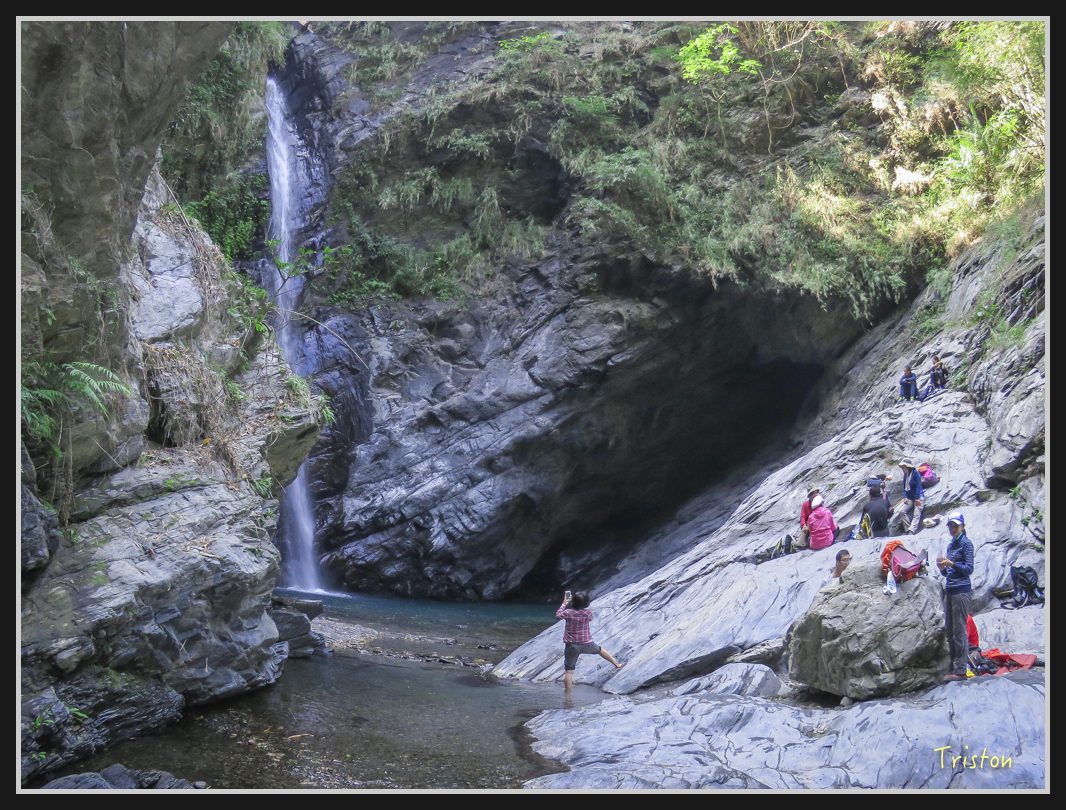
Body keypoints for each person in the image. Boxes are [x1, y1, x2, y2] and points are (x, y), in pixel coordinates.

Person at [556, 591, 622, 690]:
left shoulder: (568, 612)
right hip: (587, 644)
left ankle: (568, 694)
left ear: (572, 601)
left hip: (572, 646)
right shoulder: (588, 613)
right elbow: (590, 618)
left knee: (569, 671)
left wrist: (564, 604)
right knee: (600, 650)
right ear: (587, 603)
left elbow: (558, 615)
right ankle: (616, 663)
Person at [937, 512, 975, 681]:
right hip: (950, 590)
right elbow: (948, 574)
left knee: (959, 630)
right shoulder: (951, 545)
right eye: (951, 526)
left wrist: (951, 563)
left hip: (962, 591)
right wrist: (942, 568)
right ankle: (953, 667)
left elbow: (969, 569)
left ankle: (960, 671)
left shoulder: (966, 544)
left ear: (962, 527)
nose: (953, 529)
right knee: (950, 630)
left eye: (955, 526)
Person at [893, 458, 924, 535]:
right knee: (901, 511)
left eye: (903, 467)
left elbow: (918, 486)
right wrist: (905, 497)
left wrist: (917, 498)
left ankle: (912, 530)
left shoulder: (916, 474)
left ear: (907, 467)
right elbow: (904, 488)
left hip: (918, 496)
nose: (902, 469)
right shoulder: (905, 476)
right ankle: (908, 529)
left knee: (917, 512)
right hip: (910, 497)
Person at [796, 485, 818, 550]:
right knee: (805, 529)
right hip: (808, 525)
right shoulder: (805, 505)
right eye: (813, 493)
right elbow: (802, 517)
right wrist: (804, 525)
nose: (815, 495)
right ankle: (798, 545)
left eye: (815, 493)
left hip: (817, 523)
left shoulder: (819, 503)